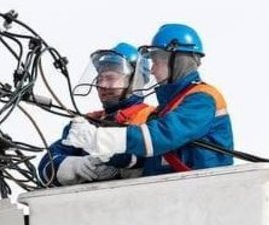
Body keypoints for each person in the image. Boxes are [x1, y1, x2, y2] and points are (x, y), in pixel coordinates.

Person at [63, 23, 233, 175]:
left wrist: (100, 139)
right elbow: (145, 156)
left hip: (206, 192)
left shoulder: (202, 98)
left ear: (176, 60)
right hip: (173, 193)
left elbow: (162, 135)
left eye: (156, 62)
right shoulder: (168, 107)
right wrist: (108, 158)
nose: (152, 71)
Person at [38, 43, 154, 186]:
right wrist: (73, 166)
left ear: (136, 81)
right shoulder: (88, 123)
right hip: (90, 204)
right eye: (100, 78)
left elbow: (154, 157)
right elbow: (47, 163)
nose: (103, 85)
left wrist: (117, 162)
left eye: (111, 78)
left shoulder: (152, 118)